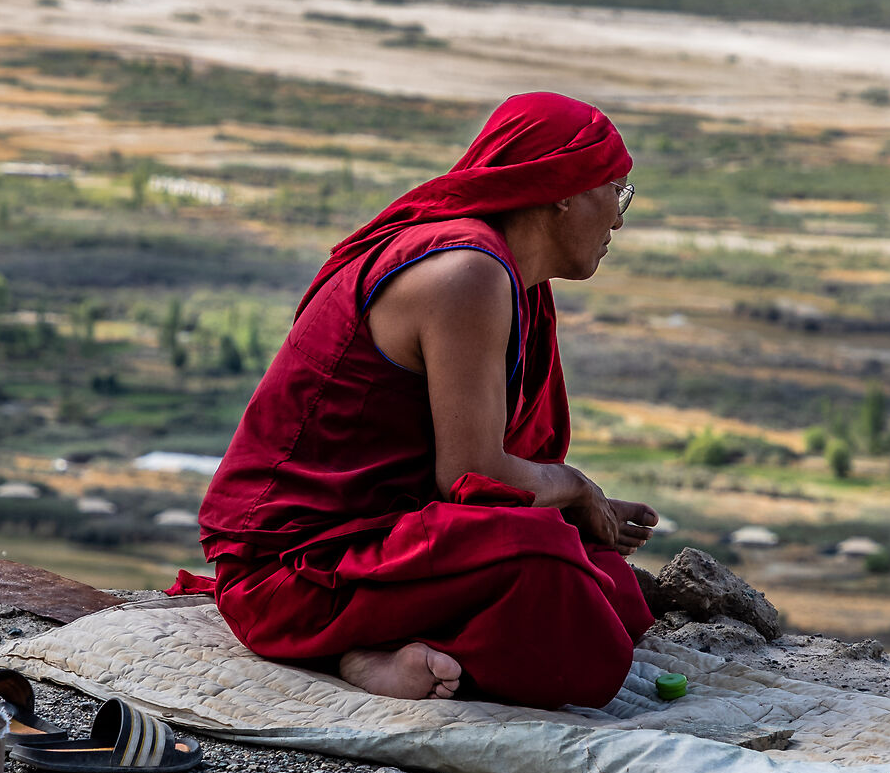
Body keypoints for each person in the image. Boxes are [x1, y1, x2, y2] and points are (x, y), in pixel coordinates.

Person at [191, 92, 659, 707]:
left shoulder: (508, 274)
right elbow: (470, 475)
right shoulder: (465, 272)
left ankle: (381, 641)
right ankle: (348, 651)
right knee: (569, 607)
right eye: (616, 191)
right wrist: (573, 490)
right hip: (292, 573)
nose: (619, 221)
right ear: (564, 188)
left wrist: (576, 512)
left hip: (383, 538)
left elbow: (477, 475)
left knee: (613, 592)